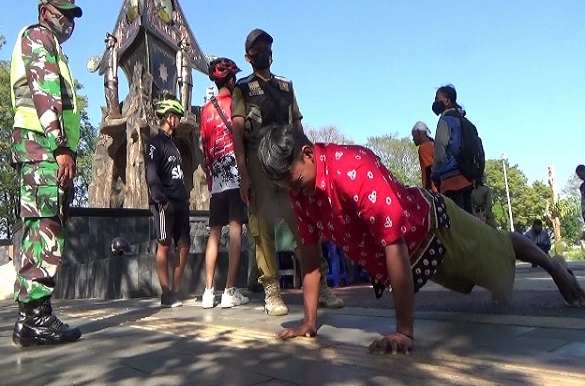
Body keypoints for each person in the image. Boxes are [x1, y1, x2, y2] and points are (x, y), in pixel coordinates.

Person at [257, 125, 585, 355]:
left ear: (307, 154)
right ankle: (518, 275)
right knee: (493, 283)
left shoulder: (351, 168)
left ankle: (554, 268)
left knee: (499, 250)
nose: (297, 192)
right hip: (415, 258)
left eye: (297, 182)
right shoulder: (301, 194)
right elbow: (311, 261)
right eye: (288, 188)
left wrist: (404, 330)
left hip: (435, 228)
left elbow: (393, 244)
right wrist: (309, 322)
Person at [231, 28, 343, 315]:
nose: (264, 53)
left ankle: (322, 287)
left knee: (304, 221)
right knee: (262, 227)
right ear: (248, 56)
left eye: (267, 47)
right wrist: (243, 172)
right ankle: (271, 290)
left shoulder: (286, 86)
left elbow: (298, 127)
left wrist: (311, 161)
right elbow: (238, 133)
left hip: (289, 159)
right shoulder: (242, 89)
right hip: (258, 160)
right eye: (257, 50)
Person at [9, 0, 83, 347]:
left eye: (71, 15)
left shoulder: (52, 44)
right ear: (44, 11)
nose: (67, 20)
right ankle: (35, 318)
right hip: (42, 146)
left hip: (40, 146)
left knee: (41, 223)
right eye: (62, 12)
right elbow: (44, 93)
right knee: (45, 226)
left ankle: (32, 317)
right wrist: (61, 146)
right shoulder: (38, 37)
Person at [199, 58, 249, 309]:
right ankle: (229, 290)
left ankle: (208, 291)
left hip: (216, 172)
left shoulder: (205, 110)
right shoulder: (237, 103)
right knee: (236, 227)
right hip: (236, 169)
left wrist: (210, 175)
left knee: (214, 232)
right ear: (230, 79)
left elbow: (205, 145)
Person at [145, 98, 191, 308]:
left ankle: (177, 288)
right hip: (165, 201)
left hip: (180, 200)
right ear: (169, 118)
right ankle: (166, 292)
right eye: (177, 117)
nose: (179, 121)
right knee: (164, 243)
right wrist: (160, 199)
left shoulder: (174, 144)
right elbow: (152, 173)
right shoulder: (156, 143)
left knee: (184, 245)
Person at [431, 85, 474, 213]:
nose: (435, 102)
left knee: (456, 222)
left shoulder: (445, 121)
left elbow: (439, 150)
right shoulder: (465, 122)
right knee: (469, 221)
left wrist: (434, 172)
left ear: (447, 101)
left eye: (437, 98)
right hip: (467, 177)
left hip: (451, 180)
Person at [411, 121, 437, 192]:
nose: (413, 139)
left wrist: (428, 192)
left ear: (419, 133)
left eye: (414, 136)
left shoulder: (424, 147)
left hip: (434, 190)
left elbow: (429, 170)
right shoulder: (434, 144)